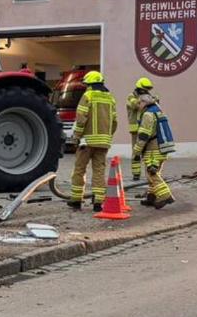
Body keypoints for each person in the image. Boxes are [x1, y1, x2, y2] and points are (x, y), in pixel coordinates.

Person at [67, 71, 117, 212]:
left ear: (89, 84)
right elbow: (114, 122)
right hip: (103, 142)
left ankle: (76, 201)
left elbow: (81, 118)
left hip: (86, 141)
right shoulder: (110, 98)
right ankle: (98, 203)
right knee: (99, 171)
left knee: (79, 170)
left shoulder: (88, 96)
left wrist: (76, 136)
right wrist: (107, 137)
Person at [133, 94, 176, 209]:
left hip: (153, 150)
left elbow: (143, 135)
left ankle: (165, 196)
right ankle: (151, 197)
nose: (138, 106)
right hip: (162, 147)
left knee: (152, 174)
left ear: (144, 102)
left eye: (139, 103)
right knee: (154, 173)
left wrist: (137, 152)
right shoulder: (158, 111)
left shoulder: (148, 114)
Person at [126, 77, 157, 182]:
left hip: (146, 128)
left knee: (148, 151)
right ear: (139, 88)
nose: (146, 92)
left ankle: (150, 170)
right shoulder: (131, 96)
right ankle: (136, 174)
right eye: (144, 89)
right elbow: (137, 105)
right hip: (135, 129)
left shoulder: (147, 97)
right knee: (136, 152)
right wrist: (151, 100)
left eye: (147, 89)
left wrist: (153, 100)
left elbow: (155, 104)